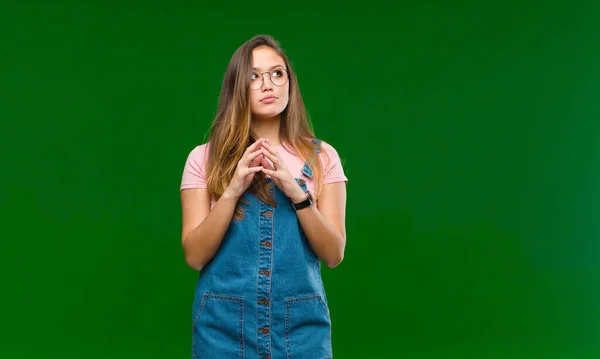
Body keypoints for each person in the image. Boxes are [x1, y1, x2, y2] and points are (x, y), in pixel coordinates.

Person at [179, 34, 348, 359]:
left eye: (277, 73)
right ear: (237, 88)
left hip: (301, 331)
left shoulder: (322, 158)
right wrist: (232, 190)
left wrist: (297, 193)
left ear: (289, 82)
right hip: (222, 331)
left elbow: (334, 253)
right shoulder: (204, 159)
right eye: (254, 76)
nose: (268, 84)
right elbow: (194, 256)